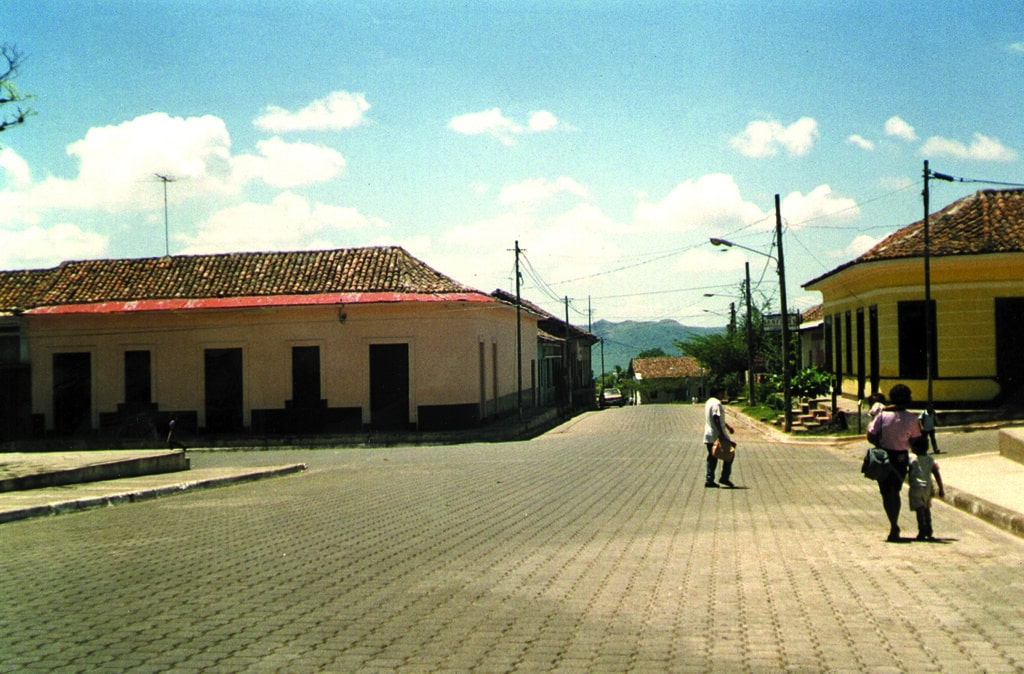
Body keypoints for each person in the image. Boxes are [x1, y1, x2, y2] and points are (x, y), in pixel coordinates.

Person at [867, 384, 922, 542]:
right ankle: (894, 524)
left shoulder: (882, 416)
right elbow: (915, 440)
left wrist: (881, 442)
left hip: (883, 458)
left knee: (886, 492)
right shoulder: (912, 419)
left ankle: (893, 524)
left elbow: (871, 435)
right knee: (895, 490)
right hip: (901, 458)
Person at [908, 438, 945, 541]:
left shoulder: (912, 459)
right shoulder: (931, 459)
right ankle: (929, 529)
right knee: (927, 508)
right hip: (928, 487)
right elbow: (936, 473)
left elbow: (908, 471)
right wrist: (941, 488)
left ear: (914, 448)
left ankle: (922, 530)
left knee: (919, 510)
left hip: (916, 487)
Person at [704, 387, 736, 488]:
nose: (723, 395)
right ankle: (724, 477)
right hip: (716, 435)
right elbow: (716, 418)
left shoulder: (709, 402)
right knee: (729, 454)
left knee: (712, 457)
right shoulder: (716, 403)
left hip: (709, 435)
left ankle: (709, 479)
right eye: (722, 393)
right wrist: (722, 433)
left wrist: (727, 426)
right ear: (718, 393)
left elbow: (718, 417)